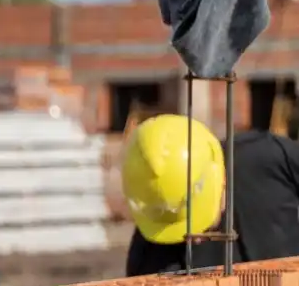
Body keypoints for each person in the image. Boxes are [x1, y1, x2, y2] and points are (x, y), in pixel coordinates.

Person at [123, 113, 299, 277]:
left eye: (202, 225)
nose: (195, 239)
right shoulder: (150, 262)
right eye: (178, 235)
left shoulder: (269, 160)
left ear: (220, 177)